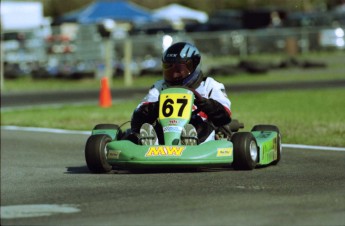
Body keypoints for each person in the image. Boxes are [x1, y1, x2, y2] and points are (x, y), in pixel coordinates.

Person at [130, 42, 232, 145]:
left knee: (198, 122)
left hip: (201, 129)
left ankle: (190, 140)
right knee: (151, 127)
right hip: (166, 130)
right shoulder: (160, 87)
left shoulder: (210, 85)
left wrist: (204, 103)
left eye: (179, 70)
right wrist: (157, 106)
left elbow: (225, 115)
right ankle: (152, 142)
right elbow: (138, 115)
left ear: (194, 66)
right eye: (169, 69)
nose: (174, 75)